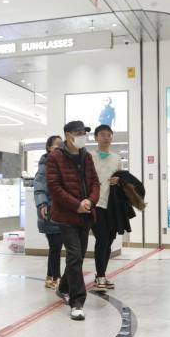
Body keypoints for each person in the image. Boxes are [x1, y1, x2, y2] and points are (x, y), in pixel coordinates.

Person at [45, 120, 100, 321]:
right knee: (75, 255)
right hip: (66, 215)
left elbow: (95, 183)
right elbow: (54, 187)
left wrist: (89, 201)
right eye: (79, 133)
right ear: (68, 135)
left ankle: (63, 288)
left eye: (84, 133)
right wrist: (76, 204)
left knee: (78, 257)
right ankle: (77, 302)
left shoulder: (86, 156)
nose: (82, 136)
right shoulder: (55, 157)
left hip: (85, 214)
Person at [89, 124, 122, 290]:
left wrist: (120, 180)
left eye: (109, 135)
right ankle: (100, 276)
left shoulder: (116, 158)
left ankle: (101, 275)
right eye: (102, 134)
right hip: (96, 204)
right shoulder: (89, 156)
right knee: (101, 239)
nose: (106, 137)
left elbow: (121, 178)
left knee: (109, 241)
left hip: (112, 206)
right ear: (96, 137)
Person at [32, 135, 63, 290]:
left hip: (61, 212)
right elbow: (39, 186)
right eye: (57, 144)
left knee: (55, 246)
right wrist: (42, 204)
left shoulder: (62, 163)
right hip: (50, 211)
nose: (60, 147)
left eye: (62, 144)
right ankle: (56, 278)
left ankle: (50, 277)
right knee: (56, 246)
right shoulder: (46, 164)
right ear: (49, 148)